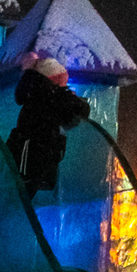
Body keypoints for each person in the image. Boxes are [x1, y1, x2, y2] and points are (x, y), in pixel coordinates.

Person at [6, 54, 92, 197]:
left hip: (26, 152)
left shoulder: (34, 92)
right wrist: (70, 96)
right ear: (55, 80)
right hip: (37, 155)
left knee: (20, 196)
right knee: (24, 196)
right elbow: (81, 110)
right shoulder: (49, 94)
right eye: (63, 81)